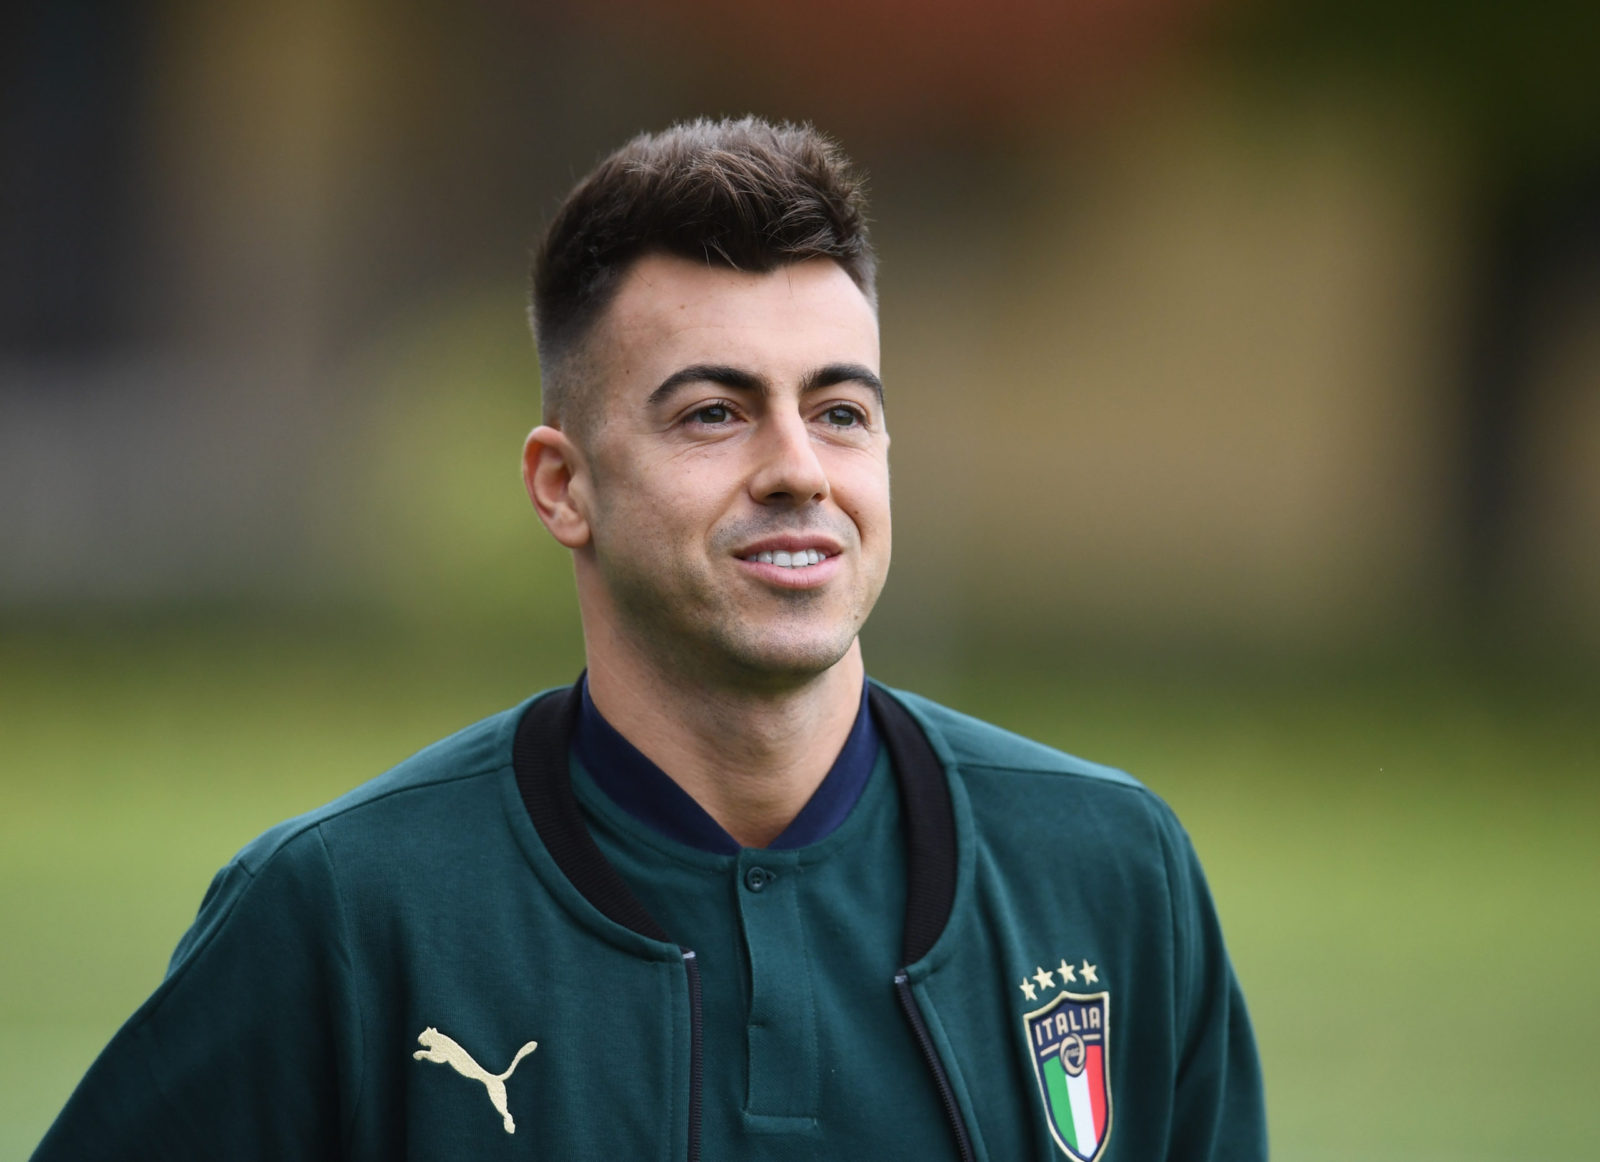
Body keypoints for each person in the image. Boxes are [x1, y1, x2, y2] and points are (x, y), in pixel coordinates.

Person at [34, 117, 1266, 1161]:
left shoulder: (1113, 876)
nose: (797, 470)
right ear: (562, 486)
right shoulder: (349, 915)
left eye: (840, 410)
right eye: (714, 413)